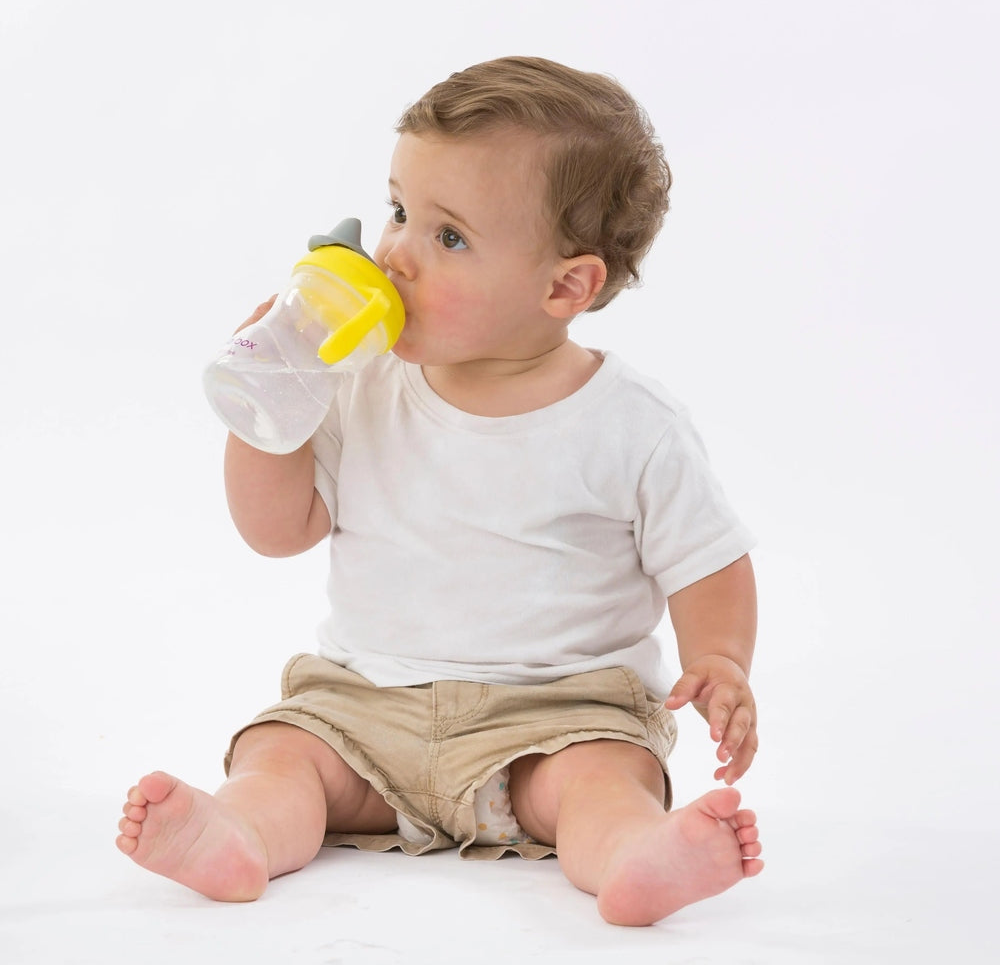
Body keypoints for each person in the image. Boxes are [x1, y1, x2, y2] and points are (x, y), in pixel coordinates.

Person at [116, 56, 763, 927]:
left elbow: (708, 561)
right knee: (283, 753)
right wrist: (269, 406)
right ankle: (238, 835)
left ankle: (633, 853)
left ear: (565, 285)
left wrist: (718, 660)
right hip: (364, 704)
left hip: (556, 716)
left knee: (600, 782)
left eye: (447, 237)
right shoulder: (362, 379)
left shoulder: (632, 423)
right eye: (398, 211)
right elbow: (277, 530)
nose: (396, 255)